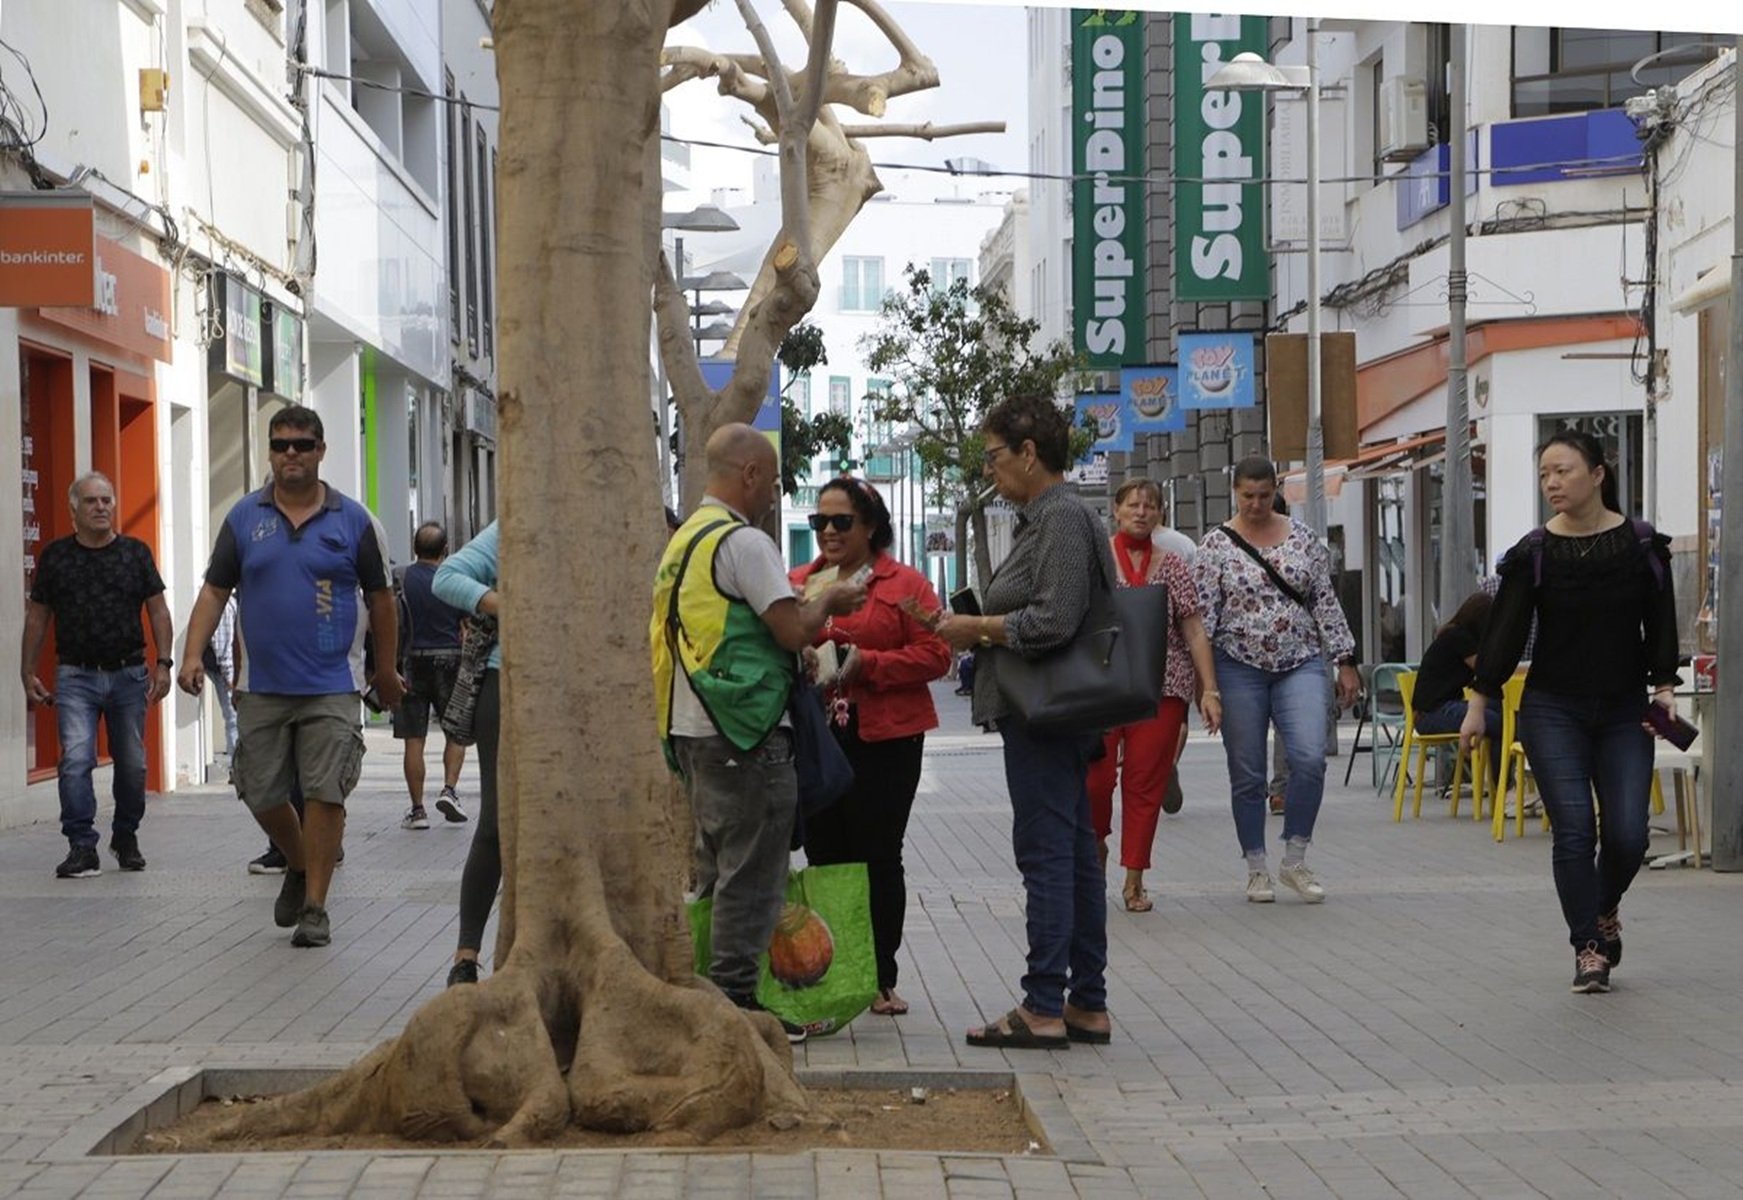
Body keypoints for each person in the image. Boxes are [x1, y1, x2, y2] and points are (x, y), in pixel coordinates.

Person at [652, 424, 867, 1044]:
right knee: (752, 874)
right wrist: (829, 604)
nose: (774, 493)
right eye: (771, 481)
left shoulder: (686, 538)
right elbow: (792, 629)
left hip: (693, 727)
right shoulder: (743, 542)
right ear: (748, 474)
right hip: (742, 734)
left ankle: (712, 998)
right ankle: (736, 1008)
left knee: (722, 870)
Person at [1462, 429, 1680, 994]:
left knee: (1630, 833)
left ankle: (1603, 907)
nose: (1552, 483)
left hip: (1624, 708)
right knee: (1575, 830)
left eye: (1563, 471)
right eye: (1544, 475)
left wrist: (1664, 690)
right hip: (1552, 707)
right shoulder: (1533, 554)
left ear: (1598, 473)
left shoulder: (1641, 546)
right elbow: (1505, 635)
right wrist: (1479, 701)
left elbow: (1660, 624)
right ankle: (1589, 946)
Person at [928, 394, 1113, 1050]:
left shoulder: (1060, 517)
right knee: (1069, 853)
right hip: (1049, 712)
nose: (989, 470)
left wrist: (977, 627)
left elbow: (1055, 619)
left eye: (994, 456)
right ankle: (1084, 1003)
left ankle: (1043, 1004)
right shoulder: (1049, 518)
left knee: (1047, 853)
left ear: (1029, 453)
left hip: (1046, 713)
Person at [179, 405, 402, 948]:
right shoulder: (242, 520)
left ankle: (316, 908)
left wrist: (388, 669)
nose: (291, 454)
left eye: (302, 444)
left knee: (327, 795)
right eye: (281, 445)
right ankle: (299, 864)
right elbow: (214, 591)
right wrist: (189, 655)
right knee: (257, 788)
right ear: (272, 453)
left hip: (332, 682)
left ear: (321, 451)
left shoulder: (353, 521)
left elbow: (381, 599)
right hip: (261, 685)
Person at [790, 477, 951, 1017]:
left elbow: (936, 654)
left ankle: (880, 975)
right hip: (817, 735)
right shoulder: (798, 582)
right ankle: (838, 972)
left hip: (886, 735)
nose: (829, 533)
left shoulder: (904, 583)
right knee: (825, 854)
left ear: (871, 526)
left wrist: (870, 664)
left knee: (878, 854)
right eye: (820, 523)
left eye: (841, 522)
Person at [1196, 457, 1359, 904]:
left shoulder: (1302, 538)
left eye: (1264, 496)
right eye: (1247, 496)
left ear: (1275, 492)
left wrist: (1346, 659)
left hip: (1300, 661)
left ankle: (1295, 857)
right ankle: (1255, 866)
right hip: (1237, 665)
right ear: (1235, 493)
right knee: (1246, 771)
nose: (1255, 504)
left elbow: (1325, 600)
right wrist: (1206, 686)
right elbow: (1202, 622)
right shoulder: (1215, 546)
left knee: (1309, 757)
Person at [21, 472, 174, 878]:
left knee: (133, 765)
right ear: (74, 509)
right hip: (76, 676)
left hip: (128, 674)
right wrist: (27, 669)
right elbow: (38, 617)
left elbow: (158, 610)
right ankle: (81, 846)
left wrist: (164, 662)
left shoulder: (135, 554)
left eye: (107, 500)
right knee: (75, 760)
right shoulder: (56, 557)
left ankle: (125, 835)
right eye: (91, 501)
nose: (102, 507)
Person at [1087, 479, 1221, 913]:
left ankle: (1134, 878)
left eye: (1150, 506)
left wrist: (1209, 690)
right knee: (1096, 780)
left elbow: (1194, 628)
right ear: (1117, 510)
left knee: (1145, 782)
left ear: (1160, 513)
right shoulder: (1097, 560)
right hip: (1104, 687)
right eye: (1133, 505)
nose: (1141, 512)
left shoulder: (1175, 565)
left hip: (1162, 687)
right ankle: (1097, 848)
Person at [432, 520, 502, 987]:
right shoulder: (517, 524)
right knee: (496, 822)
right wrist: (500, 604)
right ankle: (466, 954)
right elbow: (448, 576)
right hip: (507, 680)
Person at [394, 522, 470, 830]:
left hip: (411, 662)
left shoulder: (402, 577)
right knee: (456, 732)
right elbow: (467, 626)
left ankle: (417, 810)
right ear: (445, 550)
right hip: (450, 662)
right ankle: (449, 790)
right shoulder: (453, 579)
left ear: (415, 549)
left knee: (414, 739)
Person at [1413, 590, 1502, 785]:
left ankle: (1499, 783)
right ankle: (1502, 784)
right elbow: (1487, 668)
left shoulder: (1453, 632)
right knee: (1498, 722)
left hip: (1433, 710)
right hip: (1432, 714)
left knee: (1501, 711)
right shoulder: (1459, 637)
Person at [203, 593, 241, 769]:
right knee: (233, 718)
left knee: (234, 718)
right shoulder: (226, 605)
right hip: (226, 670)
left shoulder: (231, 603)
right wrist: (230, 678)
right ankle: (238, 768)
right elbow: (223, 645)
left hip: (227, 669)